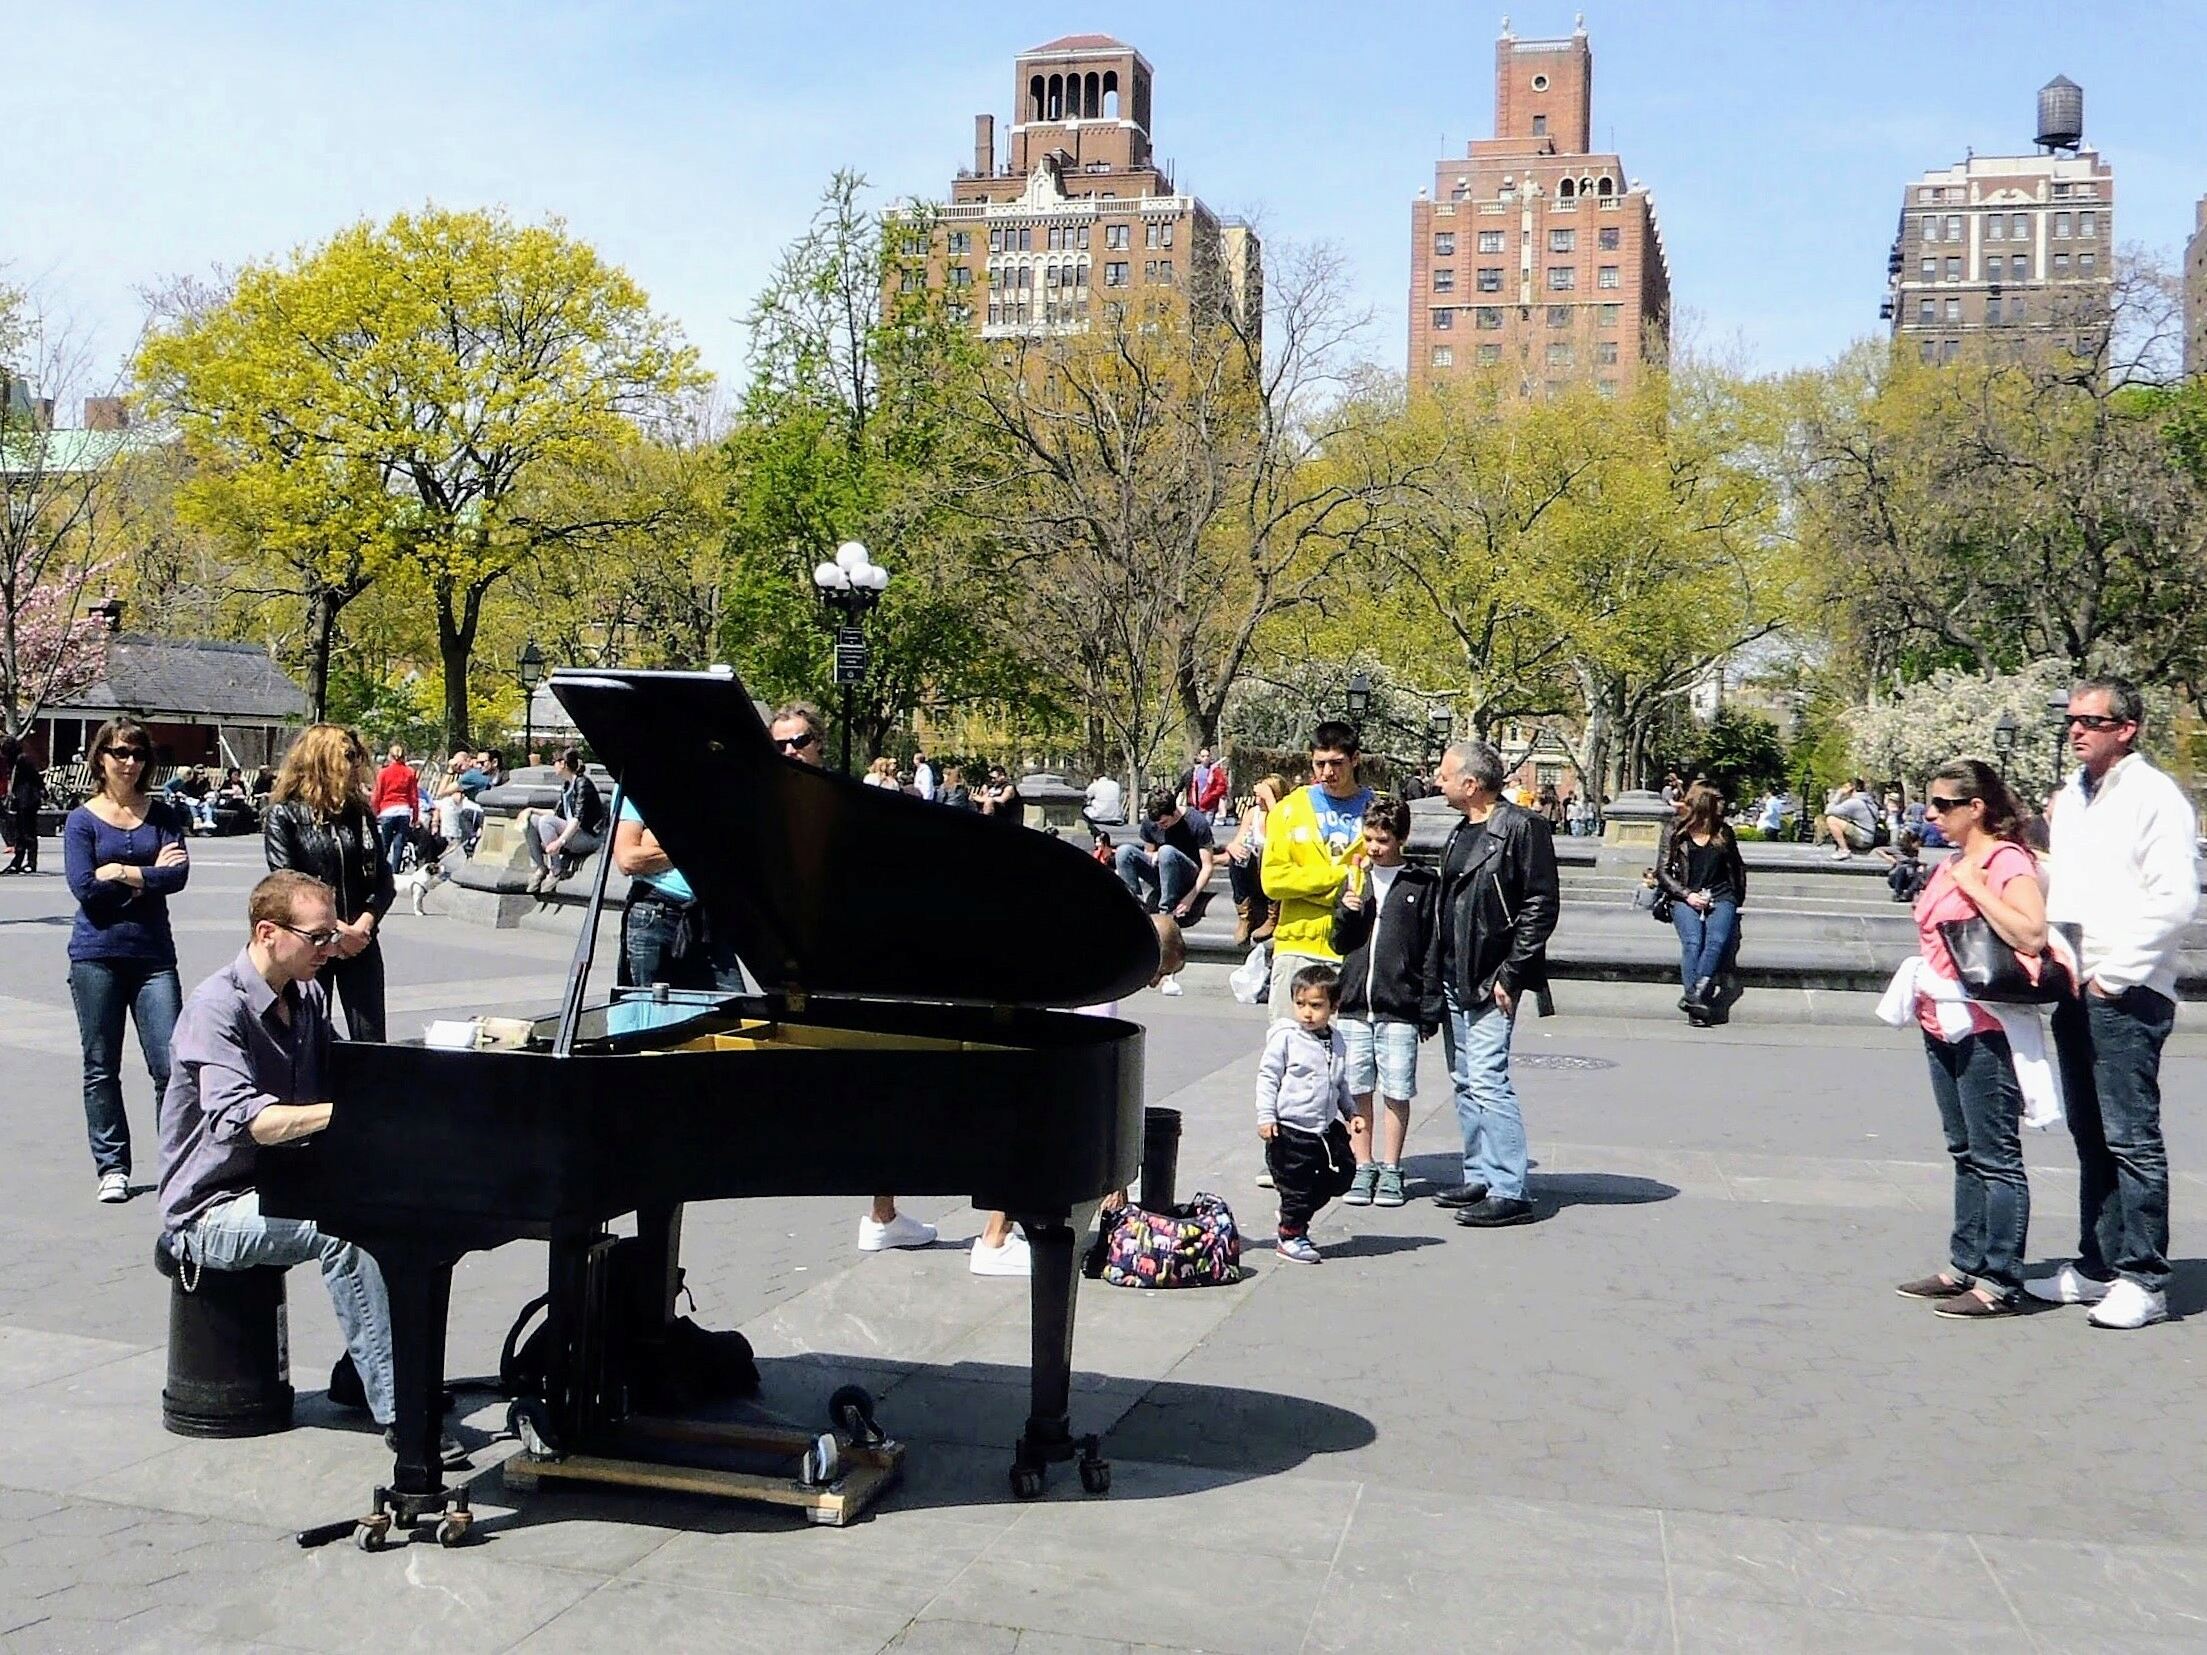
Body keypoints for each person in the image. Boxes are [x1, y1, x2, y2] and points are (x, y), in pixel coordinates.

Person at [156, 869, 459, 1465]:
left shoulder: (309, 995)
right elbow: (246, 1121)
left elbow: (346, 1075)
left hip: (283, 1183)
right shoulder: (215, 1007)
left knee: (411, 1213)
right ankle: (406, 1418)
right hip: (208, 1209)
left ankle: (363, 1366)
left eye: (334, 934)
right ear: (269, 933)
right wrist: (348, 1116)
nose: (331, 948)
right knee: (342, 1235)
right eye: (319, 937)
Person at [2031, 676, 2200, 1330]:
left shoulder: (2155, 797)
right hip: (2073, 981)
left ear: (2124, 728)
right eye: (2070, 718)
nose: (2074, 729)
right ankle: (2097, 1264)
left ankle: (2144, 1277)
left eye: (2089, 721)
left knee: (2130, 1136)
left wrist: (2116, 974)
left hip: (2124, 991)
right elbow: (2069, 884)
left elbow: (2174, 898)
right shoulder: (2074, 797)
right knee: (2090, 1132)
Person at [759, 703, 937, 1255]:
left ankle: (883, 1214)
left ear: (820, 743)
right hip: (793, 963)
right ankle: (879, 1214)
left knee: (884, 1082)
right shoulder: (759, 802)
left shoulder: (847, 799)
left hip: (856, 959)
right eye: (781, 745)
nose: (790, 752)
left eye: (800, 741)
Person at [1887, 759, 2047, 1319]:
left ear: (1975, 807)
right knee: (1963, 1149)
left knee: (1995, 1154)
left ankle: (2001, 1279)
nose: (1931, 814)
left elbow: (2031, 932)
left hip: (1984, 1024)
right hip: (1941, 1021)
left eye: (1942, 805)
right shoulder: (1953, 861)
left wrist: (1976, 888)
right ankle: (1965, 1263)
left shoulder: (2004, 861)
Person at [972, 913, 1185, 1276]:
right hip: (1033, 1051)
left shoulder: (1095, 943)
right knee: (1028, 1137)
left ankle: (884, 1218)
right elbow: (1095, 1069)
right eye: (1159, 972)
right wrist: (1114, 1173)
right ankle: (995, 1239)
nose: (1154, 984)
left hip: (1019, 1028)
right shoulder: (1109, 974)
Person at [1427, 739, 1558, 1228]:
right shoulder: (1463, 830)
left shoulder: (1522, 828)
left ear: (1471, 783)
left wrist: (1513, 971)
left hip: (1490, 974)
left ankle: (1510, 1188)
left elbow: (1539, 905)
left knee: (1488, 1080)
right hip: (1453, 971)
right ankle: (1480, 1172)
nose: (1438, 780)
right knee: (1465, 1079)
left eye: (1445, 773)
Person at [63, 717, 191, 1203]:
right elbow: (85, 890)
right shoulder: (81, 820)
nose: (129, 763)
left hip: (153, 955)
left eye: (137, 754)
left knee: (171, 1065)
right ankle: (112, 1164)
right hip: (96, 953)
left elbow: (177, 878)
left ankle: (175, 1163)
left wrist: (120, 870)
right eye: (119, 752)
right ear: (101, 757)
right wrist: (146, 875)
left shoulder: (163, 816)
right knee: (101, 1064)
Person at [1330, 794, 1436, 1210]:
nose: (1374, 847)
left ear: (1401, 839)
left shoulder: (1421, 884)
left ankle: (1391, 1166)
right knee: (1358, 1089)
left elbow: (1430, 946)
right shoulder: (1355, 878)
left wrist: (1428, 1007)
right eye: (1369, 838)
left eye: (1383, 840)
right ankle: (1363, 1164)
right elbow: (1340, 942)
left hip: (1398, 1004)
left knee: (1396, 1088)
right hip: (1356, 1001)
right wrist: (1346, 912)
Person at [264, 725, 393, 1043]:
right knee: (309, 1038)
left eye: (357, 756)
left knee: (370, 1039)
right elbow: (285, 884)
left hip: (360, 942)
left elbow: (383, 878)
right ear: (321, 760)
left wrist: (364, 923)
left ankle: (368, 1095)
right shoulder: (285, 815)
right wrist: (335, 930)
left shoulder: (359, 813)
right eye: (349, 756)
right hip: (311, 945)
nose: (357, 765)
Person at [1259, 721, 1376, 1017]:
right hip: (1297, 947)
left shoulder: (1377, 810)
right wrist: (1339, 880)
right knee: (1290, 1048)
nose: (1327, 773)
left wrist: (1307, 887)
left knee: (1347, 1056)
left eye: (1336, 763)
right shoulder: (1289, 809)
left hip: (1355, 950)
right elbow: (1273, 881)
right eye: (1319, 764)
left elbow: (1377, 882)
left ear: (1355, 759)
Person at [1255, 964, 1357, 1263]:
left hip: (1323, 1129)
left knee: (1341, 1177)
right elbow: (1268, 1076)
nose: (1307, 1013)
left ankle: (1293, 1215)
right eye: (1300, 1005)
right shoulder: (1287, 1037)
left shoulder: (1336, 1040)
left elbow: (1339, 1082)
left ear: (1333, 1006)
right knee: (1296, 1188)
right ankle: (1290, 1234)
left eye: (1316, 1006)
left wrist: (1351, 1112)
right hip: (1289, 1130)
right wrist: (1266, 1116)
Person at [1658, 783, 1747, 1027]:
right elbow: (1662, 872)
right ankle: (1697, 1005)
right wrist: (1687, 895)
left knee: (1716, 940)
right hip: (1684, 896)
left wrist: (1735, 900)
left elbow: (1737, 868)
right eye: (1715, 804)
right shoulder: (1675, 832)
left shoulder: (1724, 832)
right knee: (1693, 941)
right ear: (1702, 807)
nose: (1721, 809)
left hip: (1720, 895)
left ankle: (1694, 997)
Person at [1114, 789, 1217, 922]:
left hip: (1188, 875)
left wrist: (1190, 898)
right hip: (1162, 873)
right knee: (1124, 852)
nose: (1160, 827)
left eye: (1163, 823)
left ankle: (1166, 912)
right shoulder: (1151, 821)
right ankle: (1135, 907)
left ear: (1174, 812)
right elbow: (1149, 852)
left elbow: (1208, 867)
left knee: (1166, 851)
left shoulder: (1196, 822)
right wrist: (1152, 855)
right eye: (1157, 824)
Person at [525, 747, 607, 893]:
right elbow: (557, 813)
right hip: (572, 834)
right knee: (531, 820)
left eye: (554, 762)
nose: (553, 766)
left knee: (545, 821)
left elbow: (576, 819)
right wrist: (531, 810)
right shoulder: (567, 785)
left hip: (588, 837)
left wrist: (559, 842)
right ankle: (541, 867)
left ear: (563, 763)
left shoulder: (583, 784)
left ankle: (556, 869)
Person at [1222, 774, 1286, 946]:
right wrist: (1232, 847)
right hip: (1254, 877)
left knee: (1267, 850)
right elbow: (1238, 840)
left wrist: (1271, 800)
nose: (1257, 798)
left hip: (1274, 880)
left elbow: (1284, 837)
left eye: (1262, 794)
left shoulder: (1282, 814)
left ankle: (1273, 916)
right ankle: (1244, 916)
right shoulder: (1253, 814)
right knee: (1239, 855)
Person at [370, 743, 417, 877]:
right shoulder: (410, 772)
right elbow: (413, 796)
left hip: (387, 811)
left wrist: (376, 811)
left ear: (390, 756)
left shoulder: (383, 772)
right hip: (403, 810)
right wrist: (415, 815)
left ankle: (380, 872)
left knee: (384, 843)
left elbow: (377, 794)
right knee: (399, 844)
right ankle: (395, 873)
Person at [3, 734, 43, 872]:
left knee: (29, 832)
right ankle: (17, 861)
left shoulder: (23, 759)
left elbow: (36, 777)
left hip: (28, 799)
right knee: (19, 833)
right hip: (20, 799)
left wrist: (42, 790)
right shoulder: (14, 761)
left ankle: (31, 863)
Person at [1823, 777, 1880, 861]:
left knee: (1831, 820)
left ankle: (1844, 850)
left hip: (1862, 838)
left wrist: (1838, 794)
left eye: (1844, 787)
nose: (1842, 789)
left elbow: (1828, 811)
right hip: (1870, 836)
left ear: (1851, 787)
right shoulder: (1868, 800)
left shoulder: (1854, 802)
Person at [1882, 830, 1932, 903]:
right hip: (1896, 878)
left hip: (1909, 878)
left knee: (1919, 875)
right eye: (1918, 843)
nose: (1919, 846)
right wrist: (1888, 858)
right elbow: (1879, 850)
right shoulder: (1899, 850)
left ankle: (1907, 894)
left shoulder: (1917, 853)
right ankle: (1897, 893)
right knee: (1902, 869)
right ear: (1912, 842)